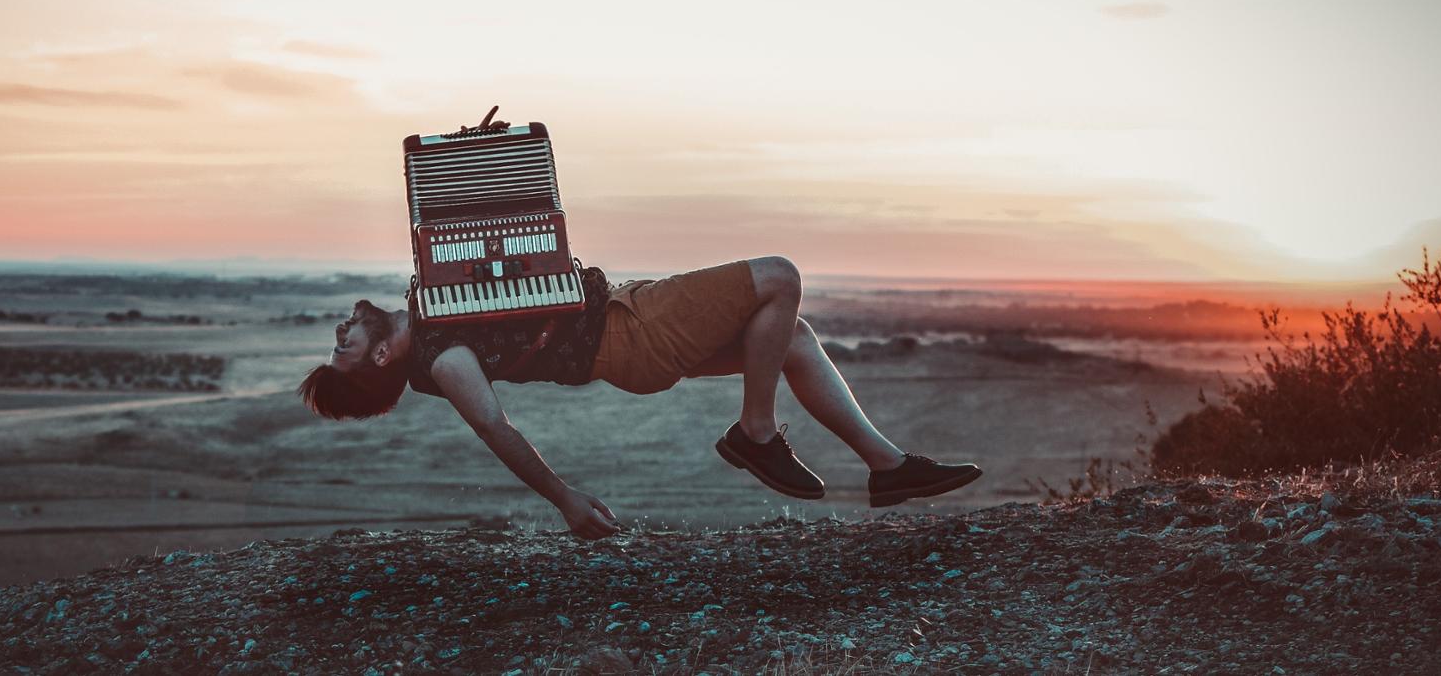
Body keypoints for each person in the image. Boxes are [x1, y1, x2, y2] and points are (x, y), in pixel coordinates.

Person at [300, 257, 982, 541]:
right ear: (383, 356)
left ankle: (888, 468)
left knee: (791, 338)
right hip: (631, 335)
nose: (341, 332)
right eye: (345, 349)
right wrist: (566, 499)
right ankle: (756, 432)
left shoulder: (435, 306)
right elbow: (496, 427)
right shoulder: (444, 359)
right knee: (780, 277)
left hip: (629, 315)